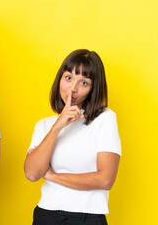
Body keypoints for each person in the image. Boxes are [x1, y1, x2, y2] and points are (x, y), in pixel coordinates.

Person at [24, 49, 121, 225]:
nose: (73, 89)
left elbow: (105, 179)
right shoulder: (44, 125)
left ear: (93, 89)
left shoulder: (104, 118)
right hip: (46, 215)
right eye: (68, 78)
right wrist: (57, 126)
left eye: (84, 83)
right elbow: (32, 173)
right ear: (60, 79)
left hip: (86, 217)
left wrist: (53, 176)